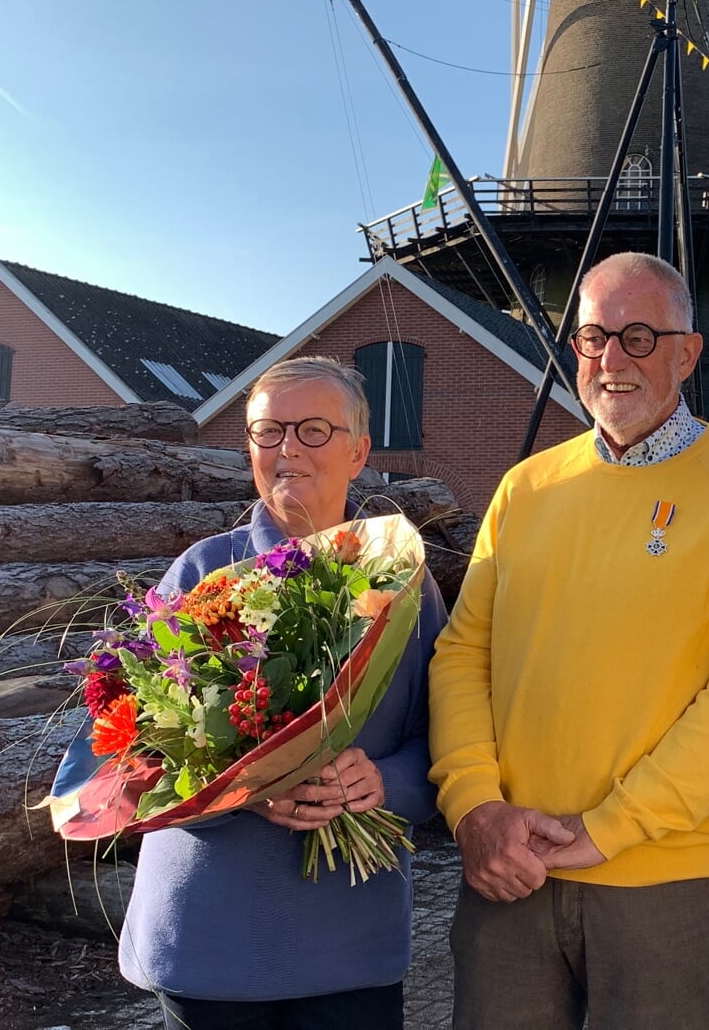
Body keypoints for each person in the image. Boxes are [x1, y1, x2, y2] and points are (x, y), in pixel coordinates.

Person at [428, 251, 709, 1029]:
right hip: (511, 873)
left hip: (661, 884)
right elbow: (464, 654)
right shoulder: (525, 487)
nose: (611, 358)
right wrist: (474, 807)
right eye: (594, 335)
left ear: (687, 353)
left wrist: (610, 830)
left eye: (640, 336)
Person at [51, 356, 446, 1030]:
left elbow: (442, 742)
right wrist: (237, 787)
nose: (288, 448)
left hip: (350, 945)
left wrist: (380, 783)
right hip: (210, 941)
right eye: (269, 432)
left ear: (359, 453)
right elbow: (121, 753)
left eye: (314, 430)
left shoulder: (406, 586)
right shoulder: (202, 572)